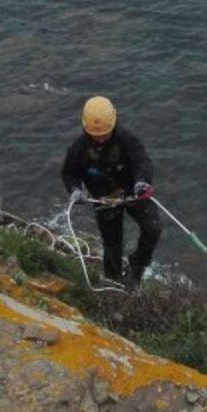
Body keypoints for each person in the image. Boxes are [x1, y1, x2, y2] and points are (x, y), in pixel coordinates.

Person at [61, 96, 161, 290]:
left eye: (104, 134)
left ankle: (137, 267)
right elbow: (69, 172)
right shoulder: (79, 148)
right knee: (112, 244)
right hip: (104, 198)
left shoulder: (127, 140)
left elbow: (142, 161)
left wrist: (142, 181)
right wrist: (75, 189)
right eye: (95, 135)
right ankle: (113, 284)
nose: (100, 138)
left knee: (153, 228)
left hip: (133, 191)